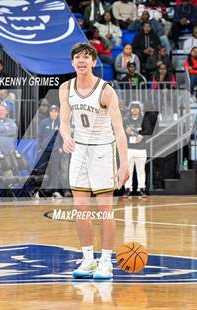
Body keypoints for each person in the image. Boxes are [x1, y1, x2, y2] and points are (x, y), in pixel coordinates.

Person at [59, 43, 129, 279]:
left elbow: (119, 130)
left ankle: (106, 261)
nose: (81, 60)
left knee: (105, 211)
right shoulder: (65, 88)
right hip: (79, 151)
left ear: (93, 62)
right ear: (72, 62)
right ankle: (88, 259)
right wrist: (66, 136)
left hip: (102, 151)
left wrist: (124, 164)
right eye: (77, 57)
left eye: (86, 57)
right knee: (80, 210)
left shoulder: (106, 90)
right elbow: (64, 121)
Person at [36, 105, 62, 198]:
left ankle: (54, 192)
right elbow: (39, 136)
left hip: (55, 151)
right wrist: (39, 147)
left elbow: (63, 136)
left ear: (58, 113)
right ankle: (38, 192)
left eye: (55, 111)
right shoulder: (44, 122)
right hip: (44, 150)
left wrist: (61, 147)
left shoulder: (60, 123)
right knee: (41, 171)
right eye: (52, 111)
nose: (53, 113)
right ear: (49, 112)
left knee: (54, 171)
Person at [123, 102, 148, 198]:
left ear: (139, 109)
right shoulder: (125, 121)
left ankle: (141, 189)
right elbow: (120, 133)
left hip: (141, 149)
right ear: (130, 110)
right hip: (129, 148)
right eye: (133, 108)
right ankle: (127, 189)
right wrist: (126, 132)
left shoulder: (144, 120)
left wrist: (142, 136)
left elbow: (148, 132)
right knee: (128, 170)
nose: (134, 110)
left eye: (136, 108)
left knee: (141, 170)